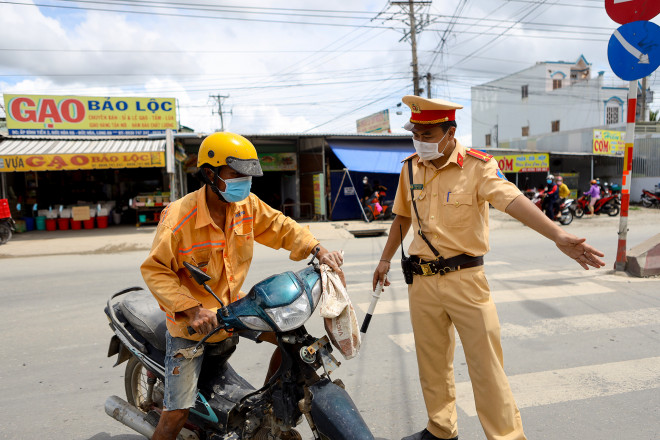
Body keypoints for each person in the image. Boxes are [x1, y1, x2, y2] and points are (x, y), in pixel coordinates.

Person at [371, 95, 605, 440]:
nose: (420, 139)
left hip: (466, 280)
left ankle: (506, 437)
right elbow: (403, 217)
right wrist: (384, 259)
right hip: (421, 281)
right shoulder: (410, 168)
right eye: (415, 132)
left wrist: (556, 234)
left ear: (450, 132)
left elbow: (513, 201)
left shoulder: (478, 167)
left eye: (428, 132)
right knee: (431, 364)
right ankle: (441, 428)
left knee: (486, 368)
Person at [141, 132, 345, 440]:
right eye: (236, 175)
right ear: (210, 173)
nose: (244, 182)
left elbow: (282, 227)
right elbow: (156, 271)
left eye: (248, 176)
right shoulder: (179, 218)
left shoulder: (247, 206)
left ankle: (265, 411)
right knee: (176, 414)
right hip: (191, 326)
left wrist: (318, 250)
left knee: (294, 341)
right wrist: (192, 309)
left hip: (233, 309)